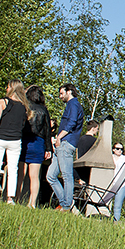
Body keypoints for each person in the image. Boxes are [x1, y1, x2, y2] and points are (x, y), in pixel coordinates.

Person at [0, 81, 29, 201]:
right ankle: (10, 197)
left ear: (12, 88)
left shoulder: (3, 102)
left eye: (8, 87)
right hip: (15, 140)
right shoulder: (24, 106)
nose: (6, 89)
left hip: (0, 137)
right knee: (13, 169)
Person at [48, 84, 84, 212]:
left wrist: (59, 137)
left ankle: (66, 205)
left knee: (67, 175)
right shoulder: (72, 105)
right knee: (51, 176)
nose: (60, 96)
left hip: (66, 143)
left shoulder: (73, 104)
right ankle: (64, 202)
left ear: (69, 92)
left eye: (61, 93)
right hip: (62, 144)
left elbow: (72, 122)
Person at [20, 85, 51, 208]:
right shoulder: (44, 110)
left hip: (25, 141)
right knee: (35, 176)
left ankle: (16, 198)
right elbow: (47, 130)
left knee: (21, 175)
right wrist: (48, 148)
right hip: (38, 142)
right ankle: (32, 203)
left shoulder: (25, 108)